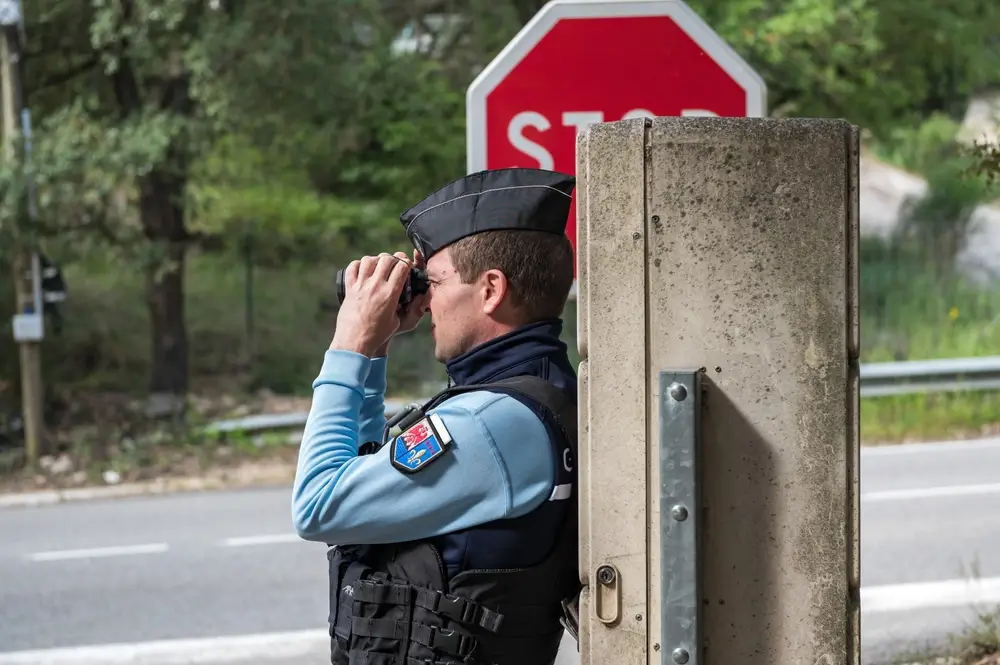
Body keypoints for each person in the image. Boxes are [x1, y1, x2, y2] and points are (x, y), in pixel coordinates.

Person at [291, 167, 581, 665]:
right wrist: (377, 347)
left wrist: (350, 342)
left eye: (435, 280)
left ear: (490, 289)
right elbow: (364, 504)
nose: (425, 299)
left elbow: (320, 505)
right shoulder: (533, 395)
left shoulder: (489, 424)